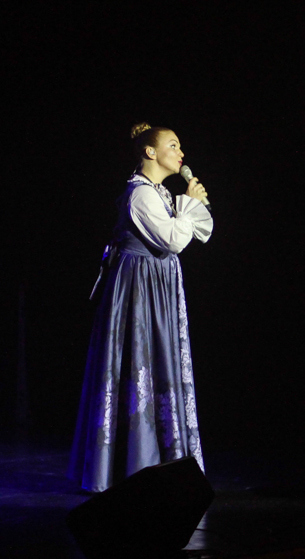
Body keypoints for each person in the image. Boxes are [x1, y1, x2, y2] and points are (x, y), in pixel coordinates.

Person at [70, 122, 213, 493]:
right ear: (150, 152)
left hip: (159, 286)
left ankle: (166, 460)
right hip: (138, 288)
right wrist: (190, 205)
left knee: (160, 361)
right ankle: (132, 464)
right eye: (173, 145)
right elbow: (172, 240)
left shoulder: (160, 194)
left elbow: (201, 229)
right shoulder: (140, 195)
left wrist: (192, 204)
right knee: (138, 363)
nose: (181, 153)